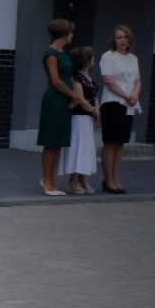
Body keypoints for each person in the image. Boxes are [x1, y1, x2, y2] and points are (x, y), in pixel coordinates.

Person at [38, 18, 85, 196]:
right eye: (70, 32)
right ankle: (47, 181)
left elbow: (70, 77)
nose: (72, 35)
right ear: (64, 34)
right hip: (54, 99)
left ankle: (52, 180)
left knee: (58, 142)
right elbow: (55, 81)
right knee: (51, 142)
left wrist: (73, 96)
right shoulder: (51, 53)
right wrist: (73, 95)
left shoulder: (64, 53)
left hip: (65, 100)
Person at [98, 24, 141, 194]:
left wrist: (135, 95)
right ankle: (108, 180)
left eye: (124, 37)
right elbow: (108, 80)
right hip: (113, 103)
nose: (122, 40)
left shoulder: (133, 59)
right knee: (110, 142)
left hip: (129, 105)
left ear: (129, 39)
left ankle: (116, 178)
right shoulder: (108, 56)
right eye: (118, 37)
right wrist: (126, 95)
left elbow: (138, 80)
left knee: (121, 143)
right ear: (114, 41)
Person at [61, 45, 101, 195]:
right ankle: (73, 178)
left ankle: (83, 177)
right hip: (79, 117)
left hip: (88, 119)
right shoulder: (77, 77)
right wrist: (91, 108)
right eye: (92, 57)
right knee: (78, 147)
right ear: (87, 60)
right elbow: (79, 97)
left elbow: (94, 95)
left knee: (86, 149)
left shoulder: (89, 77)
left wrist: (97, 107)